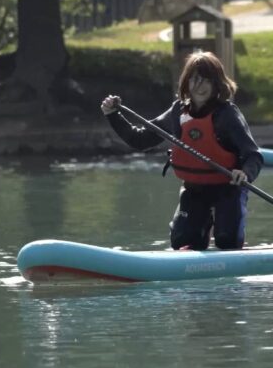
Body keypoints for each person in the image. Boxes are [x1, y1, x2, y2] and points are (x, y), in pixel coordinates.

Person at [101, 51, 262, 251]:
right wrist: (113, 115)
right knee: (183, 242)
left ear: (216, 84)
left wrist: (244, 173)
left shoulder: (227, 115)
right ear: (187, 82)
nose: (199, 86)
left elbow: (253, 154)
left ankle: (227, 240)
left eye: (206, 80)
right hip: (195, 189)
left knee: (227, 240)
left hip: (228, 188)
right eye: (194, 79)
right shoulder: (178, 112)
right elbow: (140, 140)